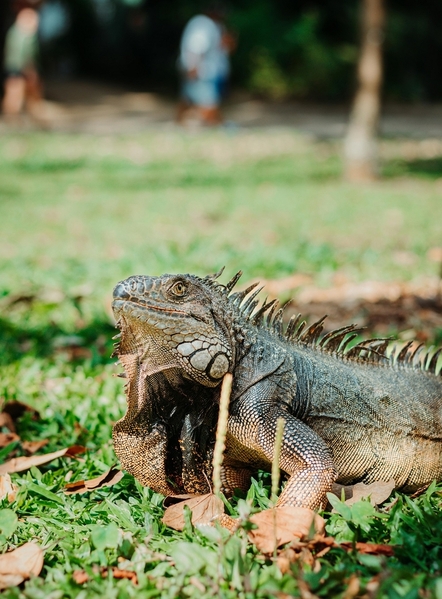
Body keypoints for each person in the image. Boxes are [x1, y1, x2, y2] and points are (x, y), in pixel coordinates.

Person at [177, 5, 235, 125]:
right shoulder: (203, 24)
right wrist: (193, 68)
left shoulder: (215, 25)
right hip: (201, 72)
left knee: (188, 100)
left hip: (204, 72)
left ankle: (178, 125)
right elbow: (196, 47)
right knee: (208, 103)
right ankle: (217, 125)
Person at [2, 7, 42, 118]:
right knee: (15, 91)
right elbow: (23, 54)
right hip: (18, 67)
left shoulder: (15, 32)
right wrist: (28, 69)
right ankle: (13, 114)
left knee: (18, 90)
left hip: (14, 66)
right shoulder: (23, 35)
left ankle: (18, 114)